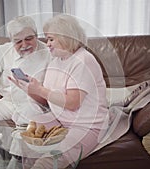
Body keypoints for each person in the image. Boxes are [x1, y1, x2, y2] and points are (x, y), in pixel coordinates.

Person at [10, 14, 109, 168]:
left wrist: (41, 89)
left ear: (65, 36)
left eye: (51, 39)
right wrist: (30, 89)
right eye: (47, 39)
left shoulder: (83, 60)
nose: (47, 44)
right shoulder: (56, 61)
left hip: (86, 126)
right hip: (60, 120)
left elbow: (72, 103)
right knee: (28, 141)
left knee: (50, 160)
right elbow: (47, 101)